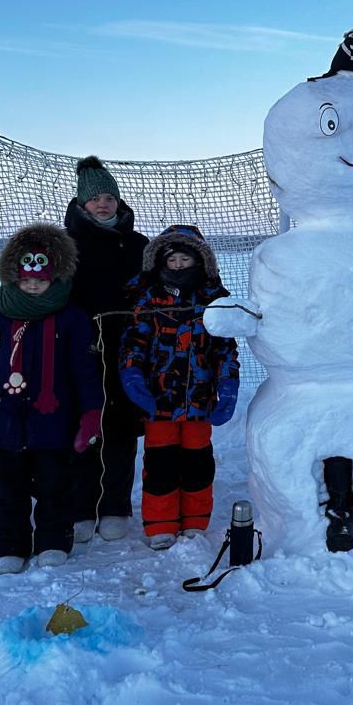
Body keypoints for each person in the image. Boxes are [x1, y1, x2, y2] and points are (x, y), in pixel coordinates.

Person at [0, 223, 103, 573]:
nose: (33, 285)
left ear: (56, 277)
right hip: (5, 421)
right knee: (8, 489)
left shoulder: (72, 317)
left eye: (41, 279)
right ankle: (9, 545)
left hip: (55, 422)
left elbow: (85, 372)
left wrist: (91, 414)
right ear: (13, 277)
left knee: (54, 487)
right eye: (26, 279)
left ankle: (53, 539)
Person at [118, 226, 239, 549]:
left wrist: (228, 383)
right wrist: (131, 376)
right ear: (161, 261)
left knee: (198, 463)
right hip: (158, 402)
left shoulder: (214, 300)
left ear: (200, 261)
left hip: (199, 402)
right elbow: (134, 343)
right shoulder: (147, 297)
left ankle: (196, 522)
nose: (179, 265)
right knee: (160, 464)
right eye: (173, 259)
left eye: (186, 258)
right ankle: (160, 523)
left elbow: (225, 349)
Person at [64, 155, 149, 544]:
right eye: (94, 198)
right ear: (82, 204)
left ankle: (115, 505)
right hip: (81, 346)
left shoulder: (138, 245)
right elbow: (37, 286)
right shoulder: (67, 246)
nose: (102, 204)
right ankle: (81, 507)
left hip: (128, 347)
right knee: (82, 424)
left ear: (119, 202)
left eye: (109, 198)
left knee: (122, 426)